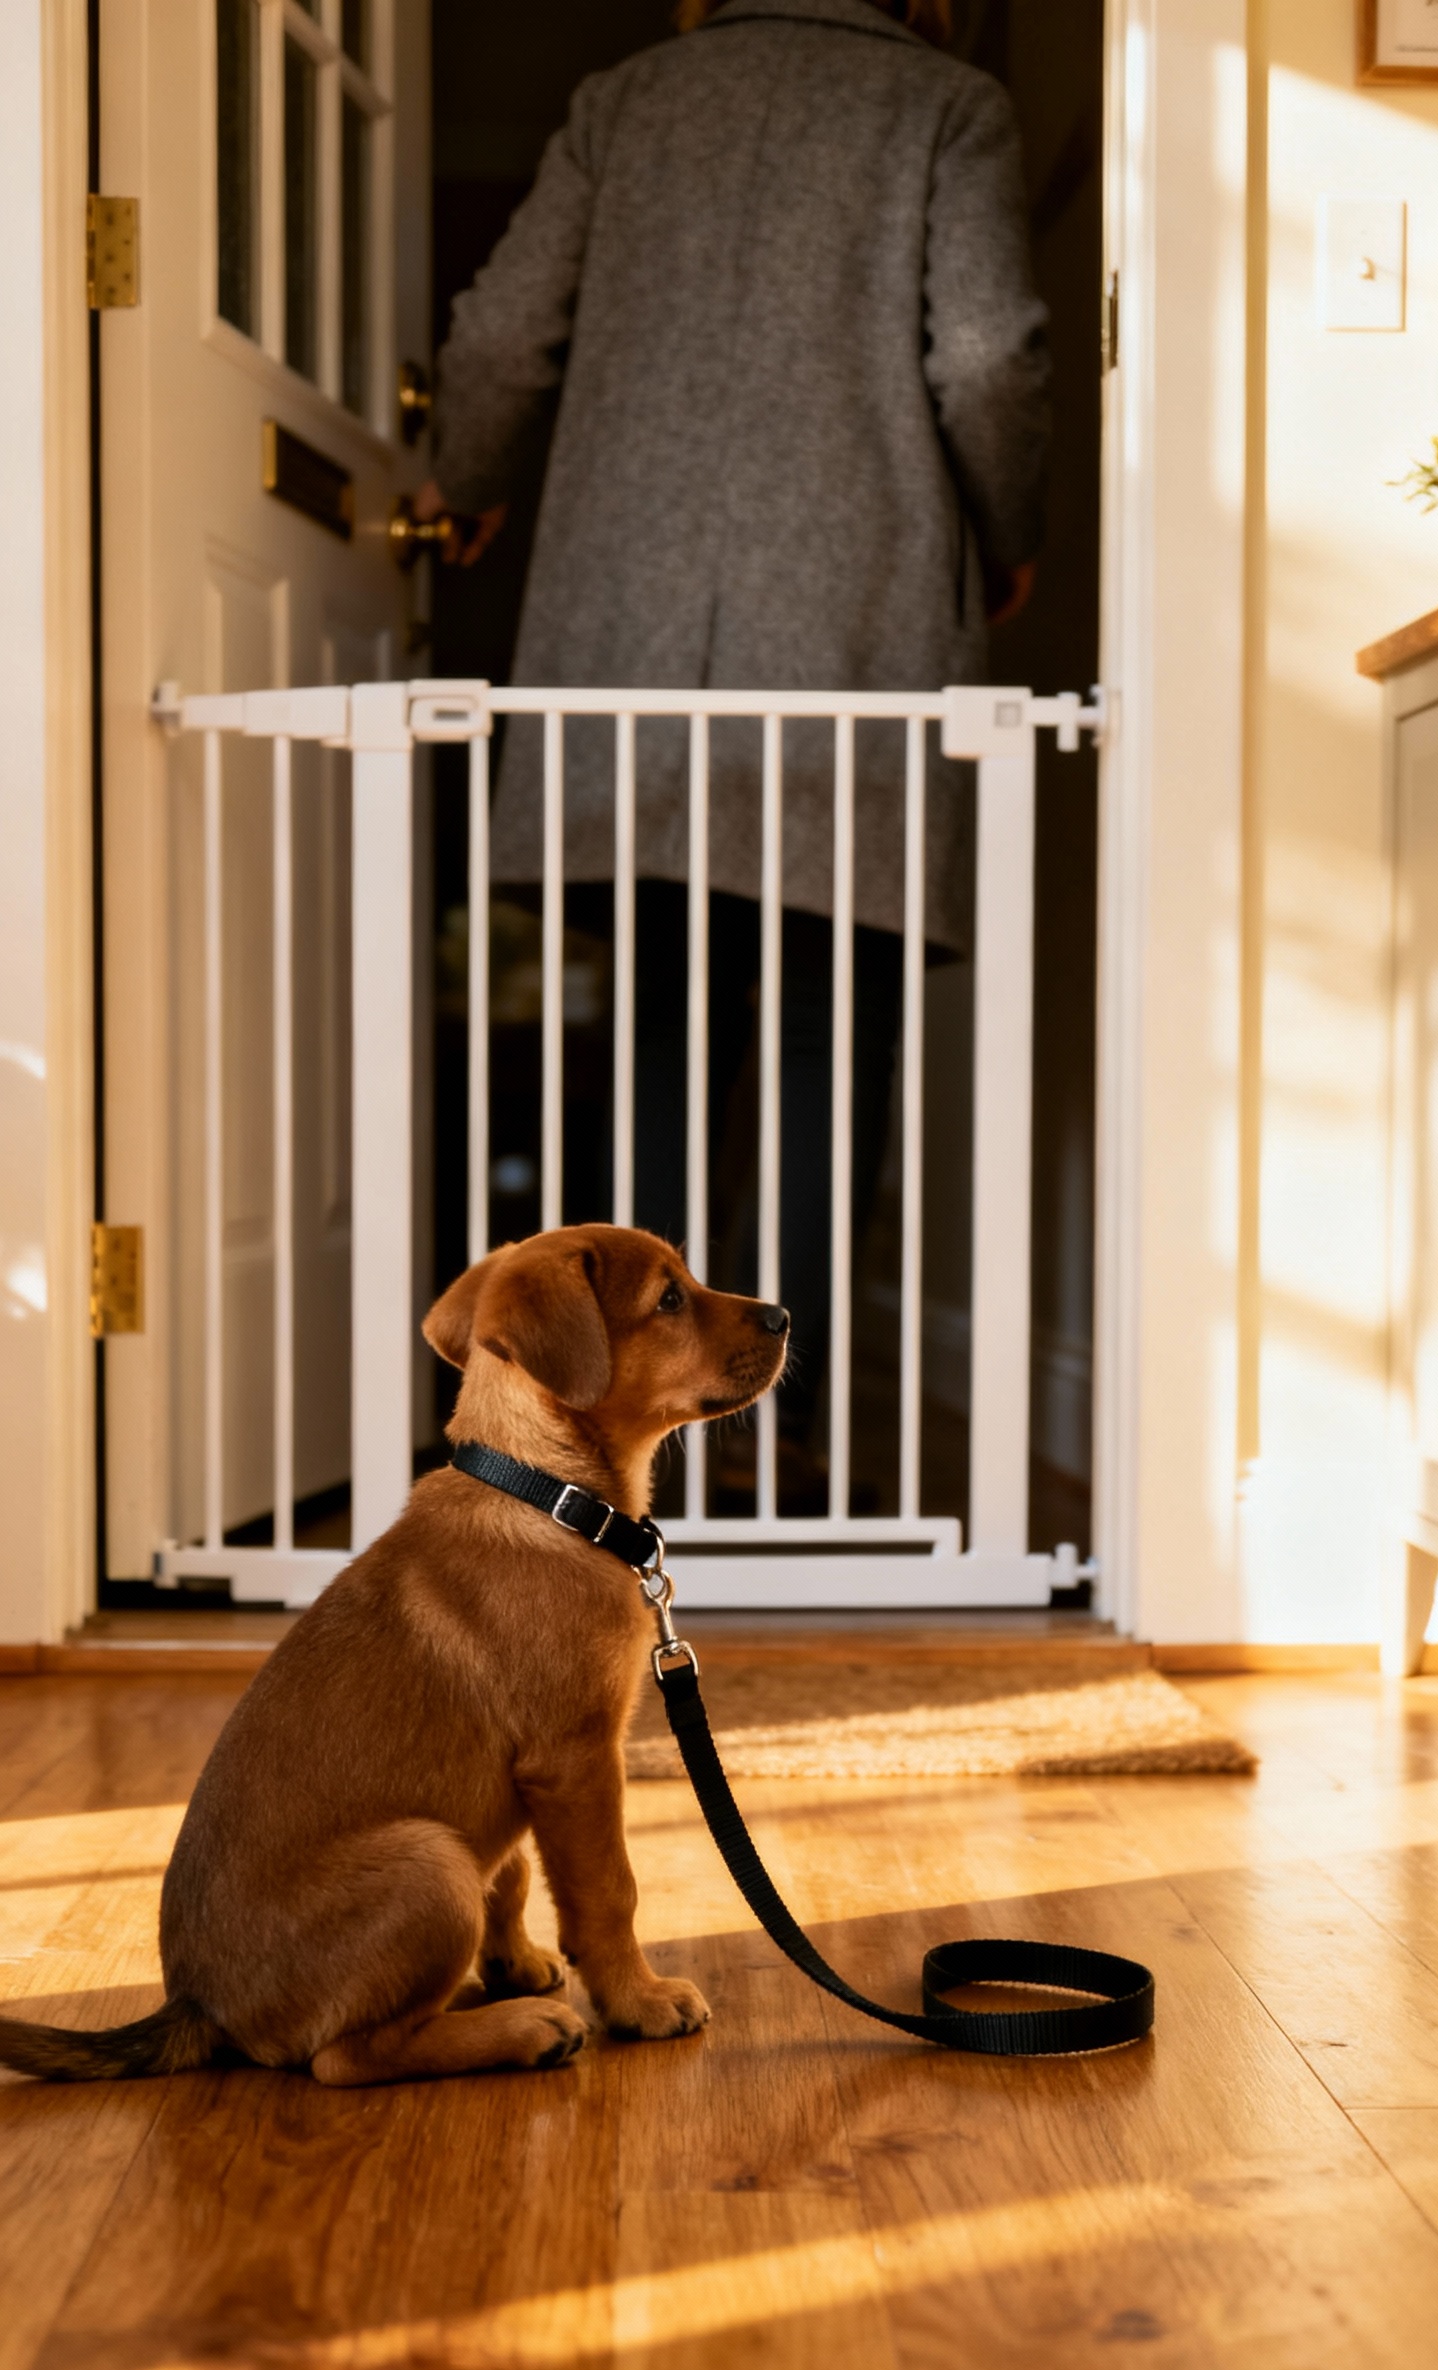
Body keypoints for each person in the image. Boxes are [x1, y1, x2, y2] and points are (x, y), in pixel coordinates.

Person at [421, 0, 1050, 1505]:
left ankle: (625, 1432)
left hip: (633, 665)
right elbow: (991, 356)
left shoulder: (623, 100)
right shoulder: (943, 105)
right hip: (854, 650)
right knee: (833, 1049)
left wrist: (461, 482)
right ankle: (788, 1435)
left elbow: (503, 330)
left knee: (655, 1038)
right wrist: (1011, 538)